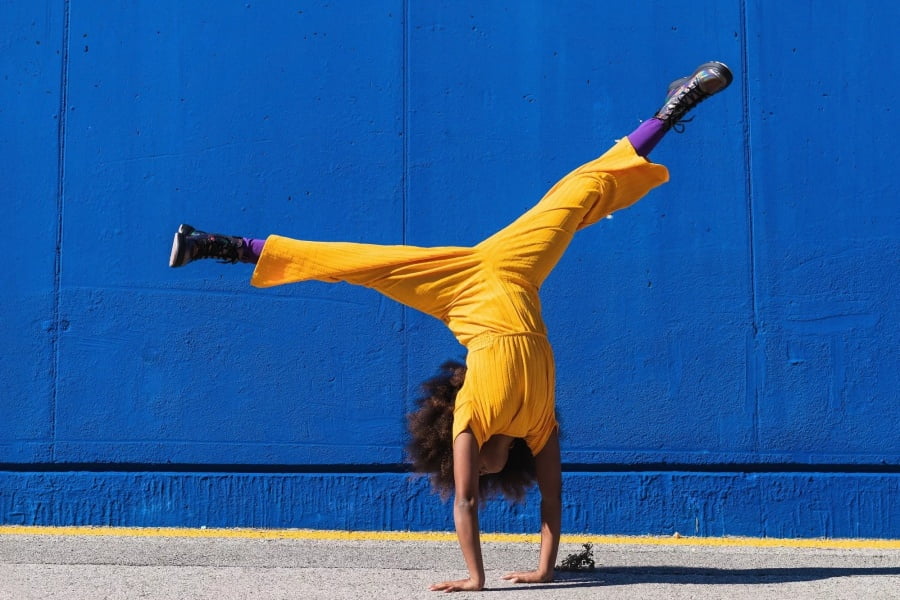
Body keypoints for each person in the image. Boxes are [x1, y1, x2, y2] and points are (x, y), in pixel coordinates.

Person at [169, 61, 732, 592]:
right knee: (576, 197)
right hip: (513, 271)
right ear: (503, 465)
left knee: (367, 258)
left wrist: (475, 576)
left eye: (472, 471)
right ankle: (221, 245)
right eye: (489, 476)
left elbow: (462, 503)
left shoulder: (471, 415)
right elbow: (553, 504)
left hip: (459, 288)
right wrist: (544, 571)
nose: (480, 477)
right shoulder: (539, 427)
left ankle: (215, 245)